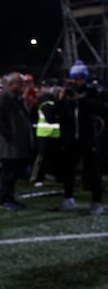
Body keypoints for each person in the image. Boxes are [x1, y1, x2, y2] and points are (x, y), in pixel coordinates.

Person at [56, 61, 108, 215]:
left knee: (93, 171)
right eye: (73, 78)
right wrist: (61, 99)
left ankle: (96, 202)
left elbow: (102, 108)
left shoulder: (93, 91)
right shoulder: (67, 92)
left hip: (88, 138)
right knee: (68, 171)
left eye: (78, 78)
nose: (75, 82)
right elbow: (57, 114)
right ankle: (68, 198)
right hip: (71, 139)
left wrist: (81, 99)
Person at [0, 71, 34, 210]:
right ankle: (5, 200)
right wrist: (9, 135)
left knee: (14, 173)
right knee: (8, 173)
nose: (23, 85)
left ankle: (10, 198)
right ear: (10, 84)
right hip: (9, 145)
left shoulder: (16, 98)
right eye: (20, 83)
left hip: (17, 144)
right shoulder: (3, 97)